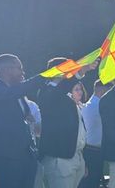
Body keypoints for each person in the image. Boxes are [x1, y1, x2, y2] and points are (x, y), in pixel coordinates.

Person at [0, 54, 47, 188]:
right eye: (19, 68)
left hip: (24, 158)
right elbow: (10, 94)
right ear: (6, 69)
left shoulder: (15, 91)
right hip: (4, 159)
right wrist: (43, 77)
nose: (22, 72)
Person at [38, 58, 96, 188]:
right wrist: (81, 71)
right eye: (68, 68)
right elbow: (58, 92)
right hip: (60, 159)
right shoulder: (47, 92)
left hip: (76, 156)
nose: (71, 72)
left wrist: (82, 159)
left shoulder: (67, 97)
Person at [81, 80, 110, 188]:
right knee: (91, 183)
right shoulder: (98, 105)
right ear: (102, 89)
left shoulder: (90, 104)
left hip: (91, 150)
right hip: (93, 150)